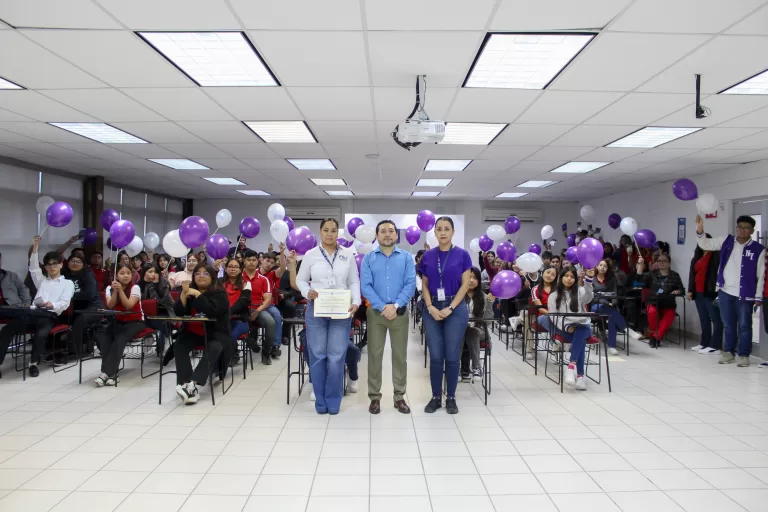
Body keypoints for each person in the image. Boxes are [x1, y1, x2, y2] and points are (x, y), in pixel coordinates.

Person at [296, 218, 360, 415]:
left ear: (337, 233)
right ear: (320, 232)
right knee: (317, 356)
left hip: (341, 310)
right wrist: (307, 292)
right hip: (317, 309)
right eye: (326, 230)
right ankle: (320, 399)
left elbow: (353, 281)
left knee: (336, 356)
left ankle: (333, 399)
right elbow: (301, 279)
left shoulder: (347, 254)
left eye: (333, 230)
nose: (330, 234)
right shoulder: (311, 255)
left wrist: (356, 302)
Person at [360, 220, 416, 415]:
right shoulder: (368, 259)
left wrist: (396, 305)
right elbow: (365, 286)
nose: (387, 234)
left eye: (391, 231)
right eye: (382, 231)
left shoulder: (407, 258)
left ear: (396, 235)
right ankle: (374, 397)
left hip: (399, 313)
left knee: (400, 356)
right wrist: (383, 306)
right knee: (375, 355)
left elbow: (410, 284)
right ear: (376, 235)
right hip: (376, 313)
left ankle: (399, 397)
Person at [696, 214, 764, 366]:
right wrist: (700, 231)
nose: (742, 230)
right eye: (739, 227)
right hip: (726, 292)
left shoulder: (758, 249)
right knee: (728, 324)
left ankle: (744, 355)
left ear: (752, 230)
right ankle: (729, 352)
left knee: (745, 325)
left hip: (745, 294)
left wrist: (758, 296)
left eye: (746, 228)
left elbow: (761, 275)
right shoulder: (726, 241)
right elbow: (706, 244)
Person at [419, 216, 471, 414]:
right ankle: (435, 397)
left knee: (451, 355)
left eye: (446, 229)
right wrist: (430, 306)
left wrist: (451, 307)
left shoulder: (462, 255)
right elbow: (424, 283)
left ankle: (451, 397)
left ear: (453, 232)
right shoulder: (428, 256)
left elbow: (465, 284)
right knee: (436, 355)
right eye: (439, 229)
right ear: (434, 232)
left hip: (455, 308)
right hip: (432, 306)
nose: (442, 232)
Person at [173, 263, 233, 404]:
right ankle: (185, 383)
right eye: (197, 273)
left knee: (215, 347)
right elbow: (179, 313)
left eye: (205, 273)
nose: (201, 276)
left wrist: (198, 295)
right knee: (179, 345)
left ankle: (193, 384)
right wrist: (183, 294)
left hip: (215, 333)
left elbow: (211, 311)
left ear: (212, 277)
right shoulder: (189, 291)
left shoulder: (220, 293)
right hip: (192, 332)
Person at [539, 267, 595, 390]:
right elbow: (553, 317)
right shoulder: (553, 296)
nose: (569, 279)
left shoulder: (580, 291)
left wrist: (589, 281)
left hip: (583, 325)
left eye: (572, 277)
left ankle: (571, 367)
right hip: (565, 327)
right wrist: (566, 327)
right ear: (561, 277)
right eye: (566, 276)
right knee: (580, 341)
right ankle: (580, 376)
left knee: (581, 332)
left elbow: (589, 298)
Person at [93, 263, 146, 386]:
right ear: (116, 275)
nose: (126, 276)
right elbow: (110, 306)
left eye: (128, 273)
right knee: (105, 339)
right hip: (118, 321)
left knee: (119, 339)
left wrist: (121, 290)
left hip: (135, 321)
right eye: (122, 273)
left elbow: (128, 305)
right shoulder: (109, 289)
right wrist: (115, 291)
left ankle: (105, 374)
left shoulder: (135, 288)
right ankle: (113, 374)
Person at [590, 258, 640, 356]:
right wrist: (605, 301)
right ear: (596, 266)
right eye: (601, 265)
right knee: (610, 311)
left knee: (612, 317)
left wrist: (613, 302)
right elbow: (591, 297)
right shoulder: (592, 279)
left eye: (605, 266)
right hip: (595, 306)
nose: (603, 267)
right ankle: (627, 329)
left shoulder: (611, 279)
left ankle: (611, 346)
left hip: (609, 307)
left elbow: (615, 294)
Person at [635, 254, 685, 348]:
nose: (661, 262)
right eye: (659, 261)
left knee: (669, 316)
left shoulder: (675, 275)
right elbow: (639, 280)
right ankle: (657, 336)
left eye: (664, 261)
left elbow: (682, 289)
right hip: (653, 302)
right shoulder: (652, 273)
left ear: (669, 263)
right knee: (652, 313)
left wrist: (678, 291)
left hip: (668, 303)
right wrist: (640, 266)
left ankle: (654, 338)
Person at [687, 234, 723, 355]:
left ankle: (715, 345)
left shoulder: (716, 255)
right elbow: (692, 274)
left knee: (716, 319)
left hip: (710, 292)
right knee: (704, 319)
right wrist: (690, 290)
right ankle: (704, 343)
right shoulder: (697, 256)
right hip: (698, 292)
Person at [242, 249, 276, 364]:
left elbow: (267, 299)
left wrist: (257, 311)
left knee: (271, 323)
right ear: (244, 261)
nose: (251, 262)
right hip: (241, 309)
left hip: (258, 308)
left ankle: (266, 353)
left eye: (254, 260)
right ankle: (234, 354)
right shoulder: (238, 277)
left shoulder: (263, 279)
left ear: (258, 261)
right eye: (248, 260)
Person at [67, 253, 104, 356]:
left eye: (78, 262)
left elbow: (89, 294)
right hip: (77, 308)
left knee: (80, 321)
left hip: (94, 306)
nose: (75, 264)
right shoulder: (65, 276)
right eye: (72, 261)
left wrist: (69, 296)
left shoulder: (88, 275)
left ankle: (76, 352)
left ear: (83, 264)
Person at [461, 267, 493, 380]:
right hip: (460, 330)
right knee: (464, 333)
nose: (471, 280)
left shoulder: (484, 297)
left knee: (472, 332)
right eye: (469, 277)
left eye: (474, 278)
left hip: (479, 330)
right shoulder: (458, 295)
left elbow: (488, 321)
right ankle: (463, 370)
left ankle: (476, 367)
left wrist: (490, 303)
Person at [139, 262, 174, 357]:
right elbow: (139, 300)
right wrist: (146, 284)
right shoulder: (140, 284)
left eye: (155, 272)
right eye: (150, 271)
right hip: (145, 313)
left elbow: (162, 301)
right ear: (144, 273)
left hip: (163, 311)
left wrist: (153, 286)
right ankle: (149, 336)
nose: (153, 274)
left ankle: (163, 342)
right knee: (142, 320)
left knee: (162, 321)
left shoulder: (163, 282)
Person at [258, 250, 285, 358]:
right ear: (261, 260)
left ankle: (275, 346)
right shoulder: (254, 273)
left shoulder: (273, 274)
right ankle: (252, 340)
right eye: (267, 261)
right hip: (255, 304)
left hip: (269, 304)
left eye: (272, 263)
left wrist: (282, 253)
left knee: (277, 316)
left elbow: (283, 268)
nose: (269, 264)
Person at [222, 258, 252, 355]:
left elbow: (243, 302)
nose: (233, 269)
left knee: (231, 334)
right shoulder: (219, 283)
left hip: (239, 319)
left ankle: (231, 356)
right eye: (230, 266)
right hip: (222, 320)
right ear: (225, 269)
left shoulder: (246, 283)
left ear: (240, 270)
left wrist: (229, 312)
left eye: (236, 267)